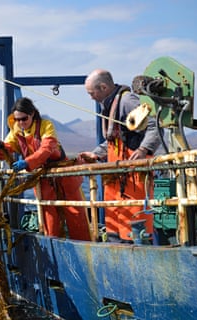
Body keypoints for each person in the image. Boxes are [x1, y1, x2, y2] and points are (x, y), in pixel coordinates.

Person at [78, 69, 161, 242]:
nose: (91, 97)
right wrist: (95, 154)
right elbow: (113, 141)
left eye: (91, 93)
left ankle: (139, 254)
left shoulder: (126, 101)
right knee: (114, 226)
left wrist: (143, 149)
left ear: (103, 87)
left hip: (134, 177)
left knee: (135, 224)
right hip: (115, 177)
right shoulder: (108, 106)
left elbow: (155, 126)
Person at [0, 97, 90, 240]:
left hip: (64, 176)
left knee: (75, 213)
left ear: (32, 114)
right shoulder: (16, 131)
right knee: (48, 216)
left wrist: (27, 162)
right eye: (17, 119)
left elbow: (46, 149)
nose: (20, 123)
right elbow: (8, 148)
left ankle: (85, 248)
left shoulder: (46, 126)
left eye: (24, 119)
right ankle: (53, 248)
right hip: (43, 179)